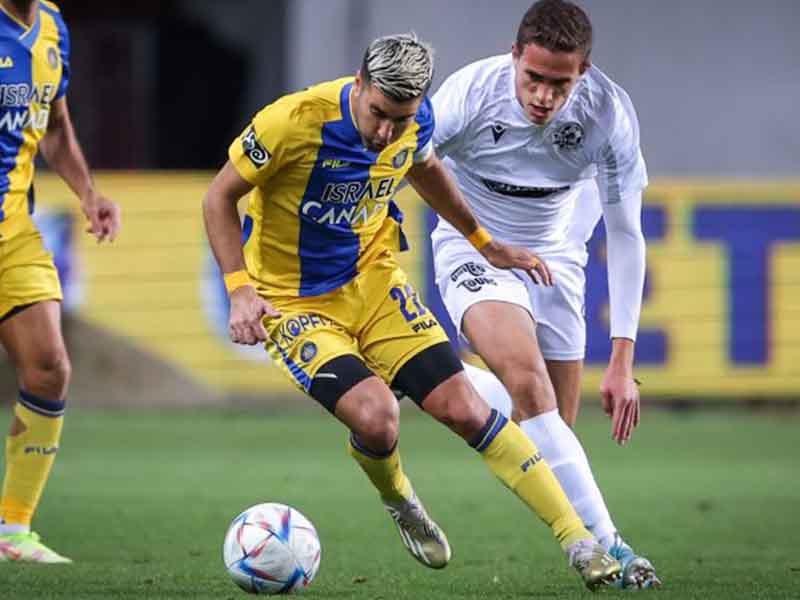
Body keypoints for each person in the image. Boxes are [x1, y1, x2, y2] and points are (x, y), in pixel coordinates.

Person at [203, 32, 622, 590]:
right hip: (293, 301)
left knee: (466, 409)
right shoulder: (292, 122)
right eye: (378, 114)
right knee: (377, 417)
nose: (385, 132)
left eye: (398, 121)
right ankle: (398, 497)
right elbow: (217, 198)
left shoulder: (417, 120)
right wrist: (238, 290)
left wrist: (484, 242)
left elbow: (424, 168)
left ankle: (579, 541)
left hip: (373, 285)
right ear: (359, 85)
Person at [429, 0, 660, 589]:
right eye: (533, 78)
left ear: (582, 73)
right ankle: (610, 547)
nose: (543, 96)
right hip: (474, 249)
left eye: (560, 83)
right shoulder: (470, 94)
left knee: (548, 431)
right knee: (529, 388)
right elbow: (409, 153)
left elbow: (628, 234)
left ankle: (438, 374)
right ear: (514, 56)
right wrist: (479, 239)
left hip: (558, 260)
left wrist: (623, 360)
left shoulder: (608, 114)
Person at [0, 0, 121, 563]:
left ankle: (12, 532)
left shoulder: (51, 28)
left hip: (12, 231)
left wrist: (88, 192)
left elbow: (54, 128)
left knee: (49, 368)